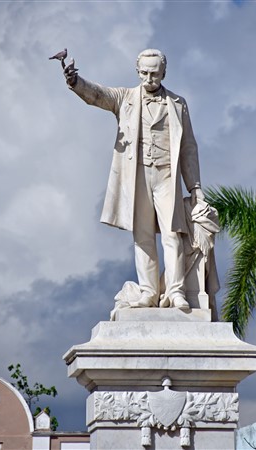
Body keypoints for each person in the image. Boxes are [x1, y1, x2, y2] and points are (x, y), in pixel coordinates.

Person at [64, 49, 205, 309]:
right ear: (137, 72)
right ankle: (149, 293)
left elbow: (188, 148)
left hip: (167, 175)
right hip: (138, 174)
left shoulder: (177, 103)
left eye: (155, 73)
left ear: (164, 72)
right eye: (145, 73)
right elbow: (97, 94)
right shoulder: (125, 98)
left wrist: (195, 187)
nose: (150, 78)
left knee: (173, 234)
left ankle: (175, 292)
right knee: (142, 236)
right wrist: (75, 82)